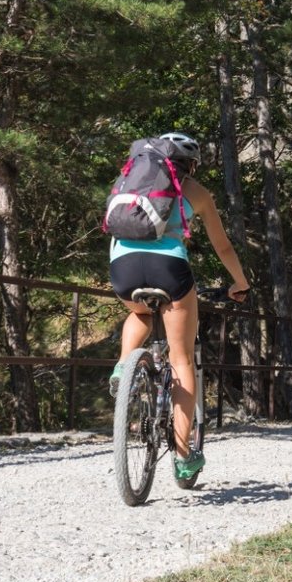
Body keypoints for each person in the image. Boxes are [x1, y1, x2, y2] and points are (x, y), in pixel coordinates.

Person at [109, 132, 250, 481]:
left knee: (139, 312)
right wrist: (240, 283)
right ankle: (184, 456)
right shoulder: (196, 191)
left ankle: (123, 366)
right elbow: (224, 247)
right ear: (190, 164)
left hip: (122, 268)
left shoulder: (129, 182)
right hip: (170, 270)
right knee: (182, 359)